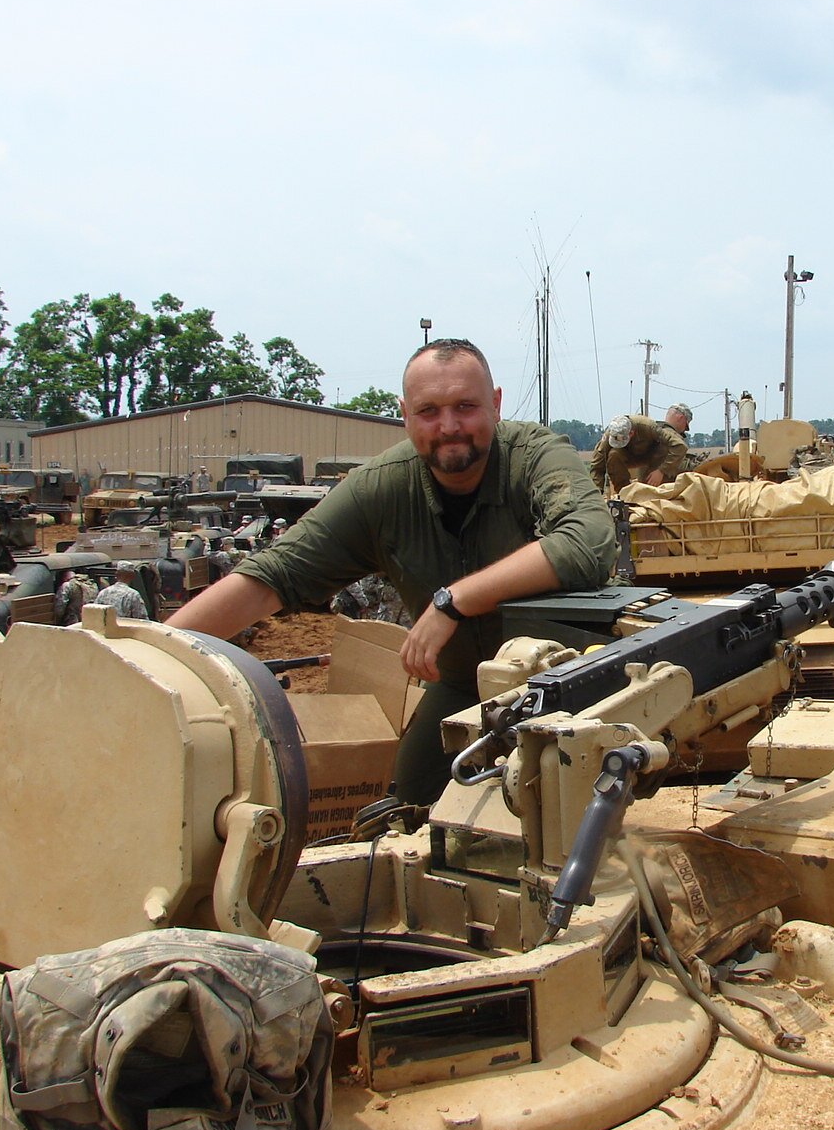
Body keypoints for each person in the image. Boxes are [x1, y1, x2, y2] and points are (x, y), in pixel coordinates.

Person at [166, 338, 616, 806]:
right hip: (466, 683)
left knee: (578, 814)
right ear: (404, 414)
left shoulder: (536, 456)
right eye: (428, 411)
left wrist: (452, 602)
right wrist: (147, 653)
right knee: (408, 807)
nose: (448, 426)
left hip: (574, 675)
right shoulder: (381, 489)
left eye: (465, 406)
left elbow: (589, 542)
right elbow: (270, 578)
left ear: (496, 404)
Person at [589, 413, 689, 494]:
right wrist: (596, 494)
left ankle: (656, 492)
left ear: (631, 433)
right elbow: (597, 465)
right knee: (613, 455)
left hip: (652, 455)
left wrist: (662, 471)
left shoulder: (649, 427)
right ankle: (625, 493)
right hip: (629, 456)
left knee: (664, 448)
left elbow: (680, 446)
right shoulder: (610, 434)